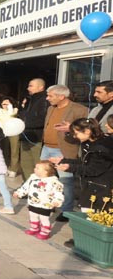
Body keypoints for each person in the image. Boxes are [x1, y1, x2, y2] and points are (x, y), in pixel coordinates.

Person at [41, 85, 87, 221]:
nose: (47, 98)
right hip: (47, 148)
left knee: (65, 181)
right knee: (45, 179)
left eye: (50, 96)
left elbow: (85, 130)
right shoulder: (51, 108)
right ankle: (47, 204)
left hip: (64, 149)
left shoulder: (80, 110)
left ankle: (66, 211)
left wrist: (70, 129)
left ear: (62, 96)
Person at [51, 118, 113, 215]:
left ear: (87, 131)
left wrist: (70, 168)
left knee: (95, 218)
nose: (75, 137)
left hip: (101, 189)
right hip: (89, 186)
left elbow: (93, 169)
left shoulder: (103, 147)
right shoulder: (88, 143)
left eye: (76, 133)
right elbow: (85, 161)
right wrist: (63, 161)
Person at [14, 161, 64, 240]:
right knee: (33, 215)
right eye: (35, 167)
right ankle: (34, 228)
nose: (35, 169)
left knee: (44, 218)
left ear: (46, 171)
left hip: (46, 204)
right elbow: (26, 186)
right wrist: (19, 193)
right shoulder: (33, 178)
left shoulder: (54, 182)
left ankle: (45, 232)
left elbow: (58, 192)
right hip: (33, 202)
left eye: (38, 168)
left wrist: (57, 201)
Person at [18, 78, 49, 180]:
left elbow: (42, 119)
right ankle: (28, 185)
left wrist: (24, 124)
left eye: (31, 86)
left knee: (37, 164)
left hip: (36, 137)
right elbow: (23, 115)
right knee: (25, 163)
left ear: (41, 87)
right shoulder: (29, 100)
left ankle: (39, 186)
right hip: (25, 135)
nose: (28, 88)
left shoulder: (45, 100)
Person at [0, 97, 20, 177]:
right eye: (3, 104)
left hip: (13, 132)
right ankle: (4, 168)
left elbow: (10, 116)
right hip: (2, 133)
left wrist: (10, 107)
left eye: (7, 104)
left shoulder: (14, 110)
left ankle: (13, 169)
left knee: (14, 151)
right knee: (3, 151)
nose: (5, 105)